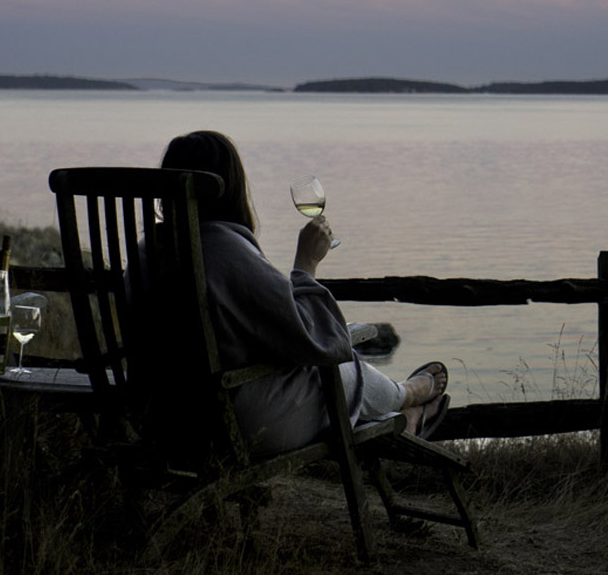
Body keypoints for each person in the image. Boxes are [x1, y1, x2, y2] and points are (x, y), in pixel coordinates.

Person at [160, 130, 449, 456]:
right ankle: (408, 398)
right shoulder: (224, 252)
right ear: (231, 186)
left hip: (167, 421)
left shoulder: (149, 252)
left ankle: (407, 414)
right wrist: (306, 264)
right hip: (235, 428)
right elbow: (317, 341)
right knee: (343, 369)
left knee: (333, 371)